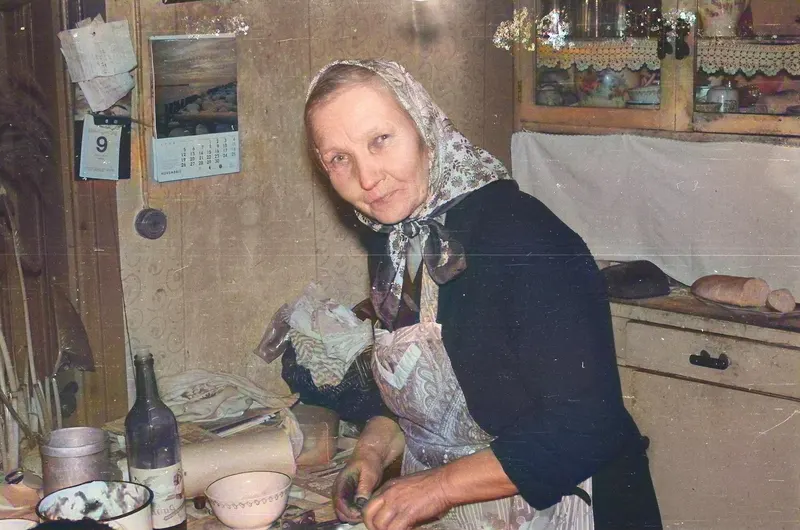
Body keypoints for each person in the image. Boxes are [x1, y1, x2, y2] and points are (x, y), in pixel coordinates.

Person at [303, 59, 662, 530]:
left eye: (380, 140)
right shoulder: (396, 239)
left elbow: (587, 427)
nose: (367, 178)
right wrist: (372, 450)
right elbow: (430, 395)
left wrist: (437, 487)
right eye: (339, 159)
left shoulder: (522, 236)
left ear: (423, 127)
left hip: (573, 507)